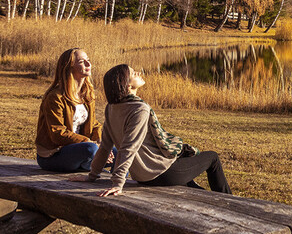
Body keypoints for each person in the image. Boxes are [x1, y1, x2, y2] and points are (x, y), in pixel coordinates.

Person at [71, 64, 231, 196]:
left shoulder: (111, 108)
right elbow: (129, 147)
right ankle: (230, 201)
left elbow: (105, 147)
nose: (139, 72)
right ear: (127, 84)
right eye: (133, 73)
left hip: (142, 176)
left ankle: (217, 202)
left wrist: (92, 176)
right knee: (212, 158)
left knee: (196, 191)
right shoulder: (139, 109)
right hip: (162, 173)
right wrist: (118, 183)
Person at [35, 48, 104, 172]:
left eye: (88, 60)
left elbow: (93, 123)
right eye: (82, 62)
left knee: (116, 152)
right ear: (69, 66)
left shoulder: (87, 93)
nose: (88, 64)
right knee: (90, 150)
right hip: (54, 154)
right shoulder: (55, 97)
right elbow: (57, 133)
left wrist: (100, 142)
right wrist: (89, 142)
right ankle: (90, 165)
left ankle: (116, 187)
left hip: (80, 149)